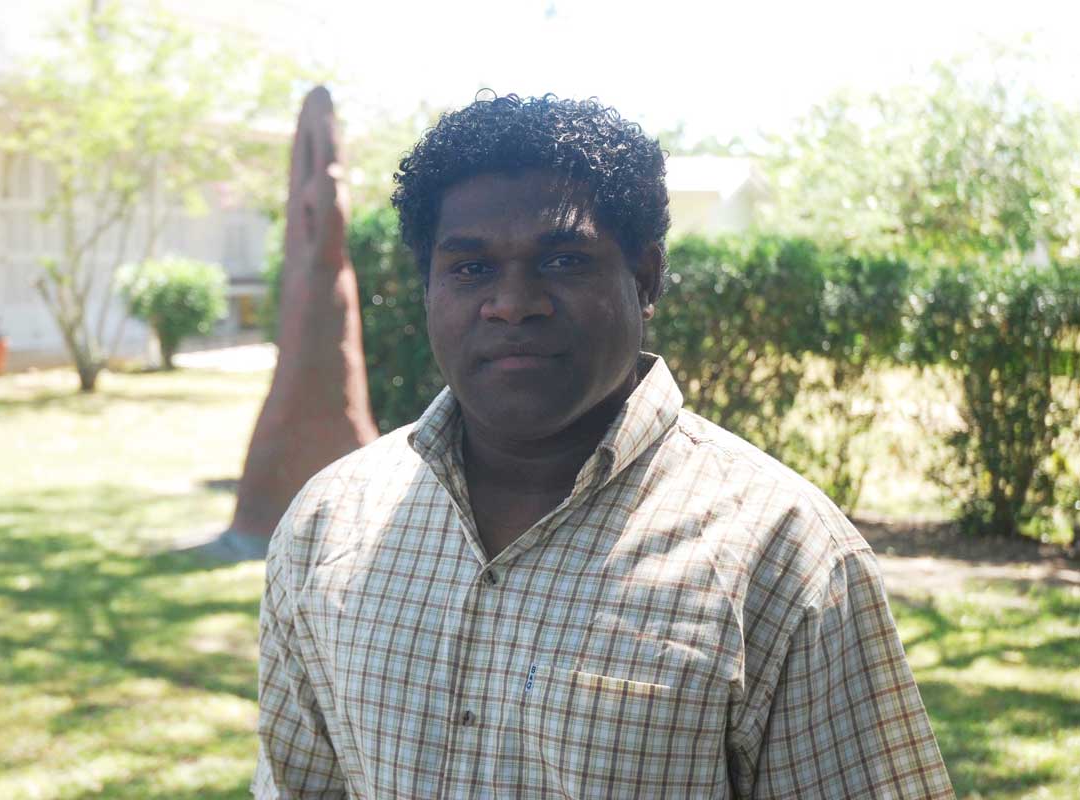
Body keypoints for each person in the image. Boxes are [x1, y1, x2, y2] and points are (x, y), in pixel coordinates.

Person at [254, 92, 954, 799]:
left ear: (645, 279)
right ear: (428, 290)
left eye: (562, 260)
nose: (512, 303)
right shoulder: (328, 525)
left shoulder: (784, 553)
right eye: (470, 268)